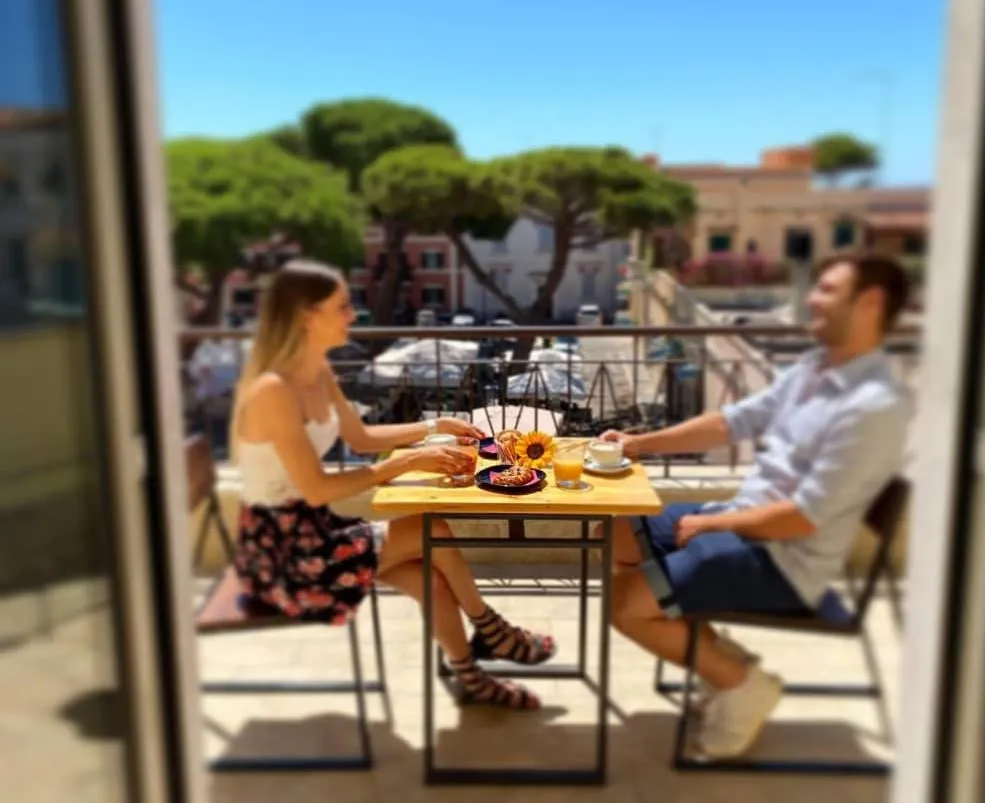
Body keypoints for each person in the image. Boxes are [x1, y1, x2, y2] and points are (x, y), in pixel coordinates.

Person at [598, 252, 912, 760]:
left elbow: (804, 515)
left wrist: (712, 521)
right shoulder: (814, 369)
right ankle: (714, 652)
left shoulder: (874, 407)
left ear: (871, 303)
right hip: (742, 518)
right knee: (618, 525)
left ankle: (740, 682)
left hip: (786, 558)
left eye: (828, 290)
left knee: (627, 605)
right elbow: (732, 422)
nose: (811, 298)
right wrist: (639, 445)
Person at [230, 259, 556, 709]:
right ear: (308, 316)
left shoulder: (316, 373)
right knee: (433, 529)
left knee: (435, 578)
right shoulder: (274, 392)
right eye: (342, 306)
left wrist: (433, 425)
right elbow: (318, 489)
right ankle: (495, 633)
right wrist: (408, 462)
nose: (353, 315)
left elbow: (362, 439)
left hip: (316, 531)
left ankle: (472, 672)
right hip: (283, 556)